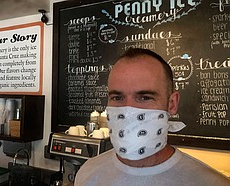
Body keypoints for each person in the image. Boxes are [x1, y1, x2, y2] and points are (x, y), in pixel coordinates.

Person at [75, 48, 230, 185]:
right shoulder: (87, 173)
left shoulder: (209, 182)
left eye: (144, 98)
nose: (128, 110)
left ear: (172, 104)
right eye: (117, 97)